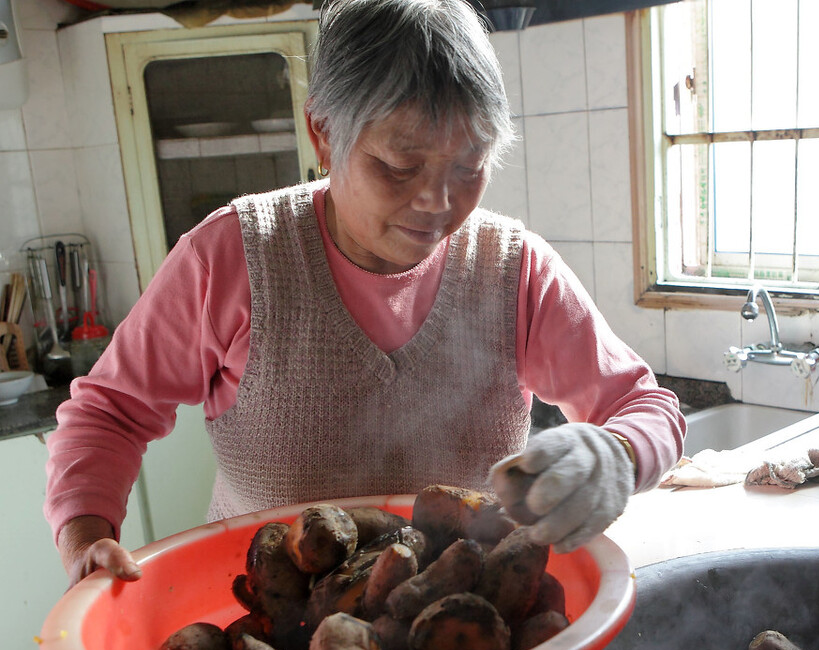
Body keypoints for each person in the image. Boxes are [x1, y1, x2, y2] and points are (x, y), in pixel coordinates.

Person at [44, 0, 684, 587]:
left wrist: (615, 453)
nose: (438, 202)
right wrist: (86, 537)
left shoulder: (513, 270)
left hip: (464, 632)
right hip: (279, 639)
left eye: (469, 167)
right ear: (323, 132)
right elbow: (108, 414)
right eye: (399, 166)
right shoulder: (235, 258)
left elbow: (645, 405)